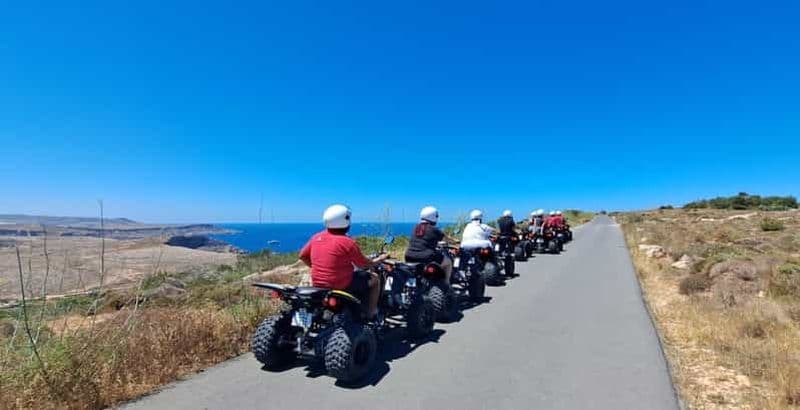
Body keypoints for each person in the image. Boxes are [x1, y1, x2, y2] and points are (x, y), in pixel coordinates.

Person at [299, 204, 387, 320]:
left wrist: (317, 267)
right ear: (346, 221)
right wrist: (380, 259)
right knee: (375, 279)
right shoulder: (347, 242)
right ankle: (370, 314)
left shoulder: (316, 237)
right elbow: (364, 264)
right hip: (342, 284)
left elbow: (303, 256)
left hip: (318, 284)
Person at [404, 206, 458, 283]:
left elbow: (422, 239)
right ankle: (446, 284)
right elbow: (447, 239)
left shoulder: (415, 227)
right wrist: (455, 241)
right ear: (433, 217)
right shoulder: (434, 229)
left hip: (409, 256)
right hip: (426, 257)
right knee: (448, 262)